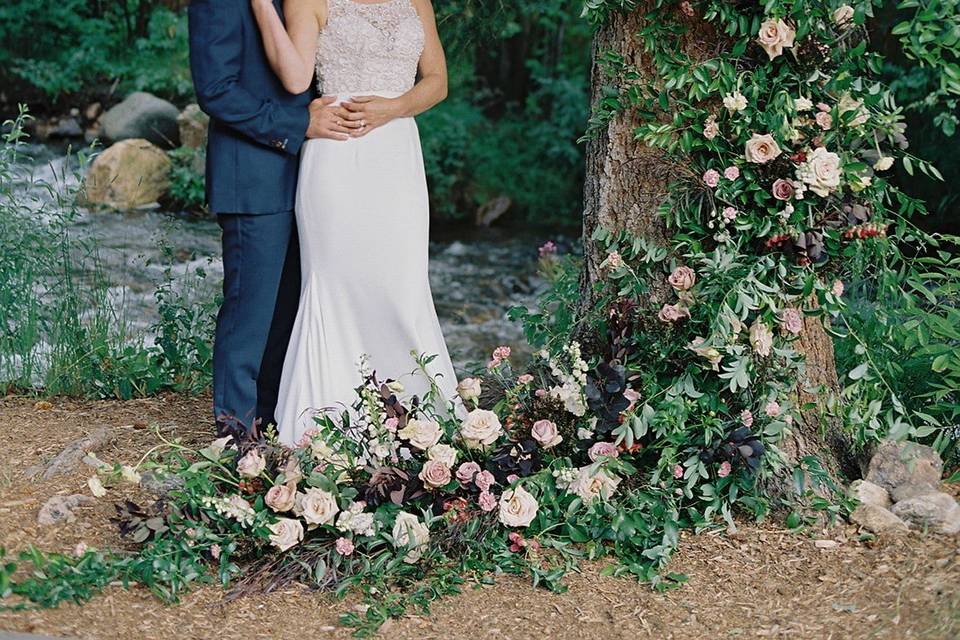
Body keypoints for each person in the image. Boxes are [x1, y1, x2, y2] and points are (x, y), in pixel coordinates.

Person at [248, 0, 461, 445]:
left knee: (400, 284)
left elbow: (438, 82)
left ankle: (414, 421)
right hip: (338, 154)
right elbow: (295, 78)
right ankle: (325, 425)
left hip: (398, 157)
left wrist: (396, 107)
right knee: (336, 285)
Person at [188, 0, 365, 434]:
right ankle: (236, 438)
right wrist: (296, 123)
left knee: (291, 313)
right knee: (250, 315)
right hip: (252, 179)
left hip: (315, 180)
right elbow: (215, 89)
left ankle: (272, 426)